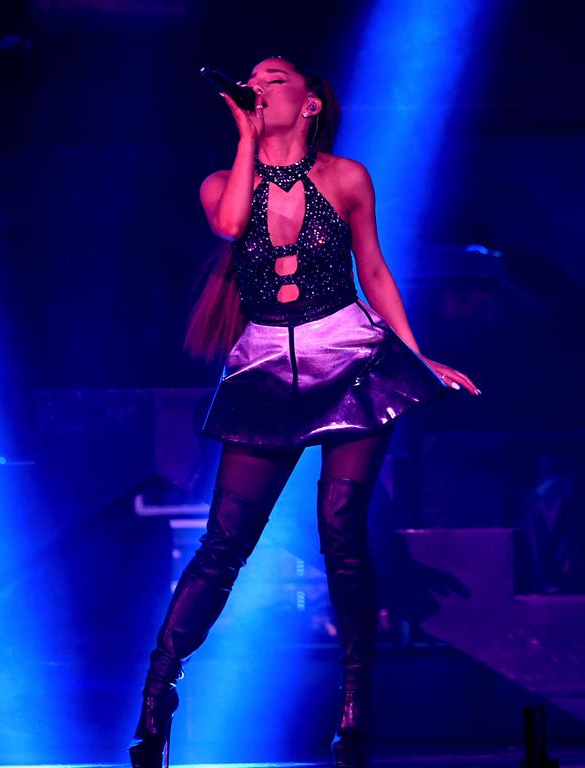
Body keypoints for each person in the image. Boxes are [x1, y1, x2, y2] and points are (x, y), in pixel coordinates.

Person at [128, 56, 480, 768]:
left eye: (276, 76)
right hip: (263, 366)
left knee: (341, 529)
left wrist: (415, 357)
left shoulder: (347, 178)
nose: (260, 83)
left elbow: (374, 271)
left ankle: (357, 704)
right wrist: (243, 129)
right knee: (224, 543)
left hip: (350, 356)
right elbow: (231, 227)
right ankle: (158, 697)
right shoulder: (224, 183)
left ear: (312, 101)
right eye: (252, 77)